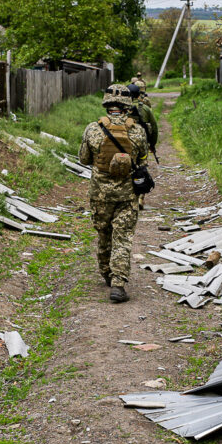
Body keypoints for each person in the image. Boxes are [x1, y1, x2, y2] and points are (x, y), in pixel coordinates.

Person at [79, 84, 150, 303]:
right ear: (127, 106)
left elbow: (84, 159)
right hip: (127, 194)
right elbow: (141, 160)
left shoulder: (93, 129)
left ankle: (106, 273)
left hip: (100, 194)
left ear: (107, 104)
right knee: (123, 238)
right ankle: (118, 283)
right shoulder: (137, 131)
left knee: (104, 233)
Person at [127, 83, 158, 211]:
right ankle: (140, 197)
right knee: (141, 169)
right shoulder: (144, 108)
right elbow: (154, 127)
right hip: (141, 143)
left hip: (125, 143)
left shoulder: (122, 108)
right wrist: (152, 144)